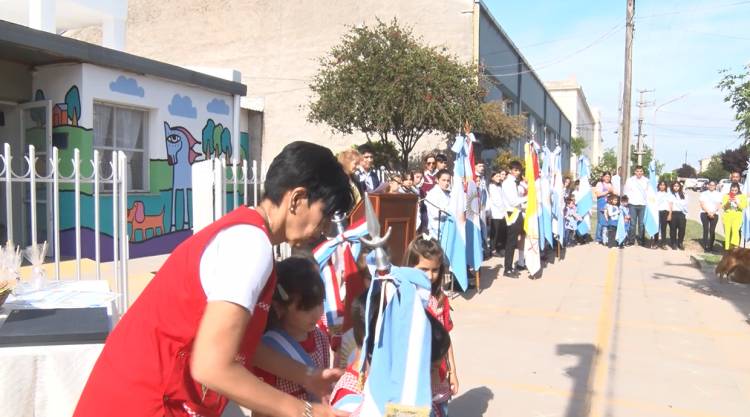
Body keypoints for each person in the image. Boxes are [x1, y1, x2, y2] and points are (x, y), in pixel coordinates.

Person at [74, 141, 353, 417]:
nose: (324, 229)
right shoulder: (249, 245)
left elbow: (240, 345)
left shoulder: (248, 234)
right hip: (143, 401)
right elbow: (211, 366)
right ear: (297, 199)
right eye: (324, 215)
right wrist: (305, 411)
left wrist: (308, 376)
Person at [253, 257, 330, 410]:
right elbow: (262, 407)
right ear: (279, 307)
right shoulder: (269, 350)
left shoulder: (321, 338)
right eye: (306, 308)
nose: (317, 314)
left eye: (320, 302)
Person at [404, 236, 459, 416]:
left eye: (435, 270)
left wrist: (453, 372)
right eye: (423, 269)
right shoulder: (404, 298)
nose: (429, 276)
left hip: (439, 379)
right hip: (412, 380)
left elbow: (446, 339)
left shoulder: (440, 299)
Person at [502, 161, 526, 278]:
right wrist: (528, 197)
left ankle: (511, 266)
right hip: (512, 215)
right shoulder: (507, 183)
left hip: (518, 213)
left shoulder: (515, 183)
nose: (518, 172)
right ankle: (507, 269)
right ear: (510, 170)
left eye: (519, 170)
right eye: (515, 170)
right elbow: (514, 201)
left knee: (516, 241)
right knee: (511, 242)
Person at [624, 165, 649, 245]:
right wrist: (626, 203)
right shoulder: (630, 180)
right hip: (632, 204)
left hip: (643, 205)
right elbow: (626, 192)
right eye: (637, 171)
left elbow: (649, 193)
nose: (639, 173)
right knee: (632, 224)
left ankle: (641, 240)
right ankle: (631, 240)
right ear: (635, 172)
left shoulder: (646, 181)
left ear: (643, 172)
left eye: (641, 171)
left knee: (642, 224)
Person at [425, 169, 452, 239]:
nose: (446, 183)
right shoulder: (432, 194)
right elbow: (435, 213)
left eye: (448, 180)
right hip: (436, 231)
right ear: (437, 180)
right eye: (443, 180)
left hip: (447, 229)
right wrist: (450, 210)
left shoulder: (448, 193)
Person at [722, 182, 747, 250]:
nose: (734, 192)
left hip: (737, 217)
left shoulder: (742, 196)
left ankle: (735, 248)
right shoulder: (726, 196)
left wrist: (737, 202)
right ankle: (727, 249)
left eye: (735, 190)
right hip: (727, 216)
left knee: (735, 232)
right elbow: (724, 208)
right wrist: (728, 202)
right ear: (730, 189)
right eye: (732, 190)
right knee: (727, 233)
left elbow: (743, 207)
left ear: (738, 189)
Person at [699, 180, 723, 252]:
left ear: (715, 186)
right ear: (708, 185)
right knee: (705, 229)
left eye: (713, 185)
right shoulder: (703, 194)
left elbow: (719, 204)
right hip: (704, 213)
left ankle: (711, 246)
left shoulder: (718, 194)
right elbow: (702, 204)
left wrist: (713, 212)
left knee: (712, 230)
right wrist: (708, 212)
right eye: (710, 185)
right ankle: (705, 246)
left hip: (714, 214)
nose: (711, 186)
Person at [488, 170, 508, 255]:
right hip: (495, 213)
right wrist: (503, 209)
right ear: (492, 177)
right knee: (494, 233)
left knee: (501, 232)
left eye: (499, 176)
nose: (499, 178)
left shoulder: (500, 186)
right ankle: (493, 249)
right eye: (497, 176)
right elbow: (496, 201)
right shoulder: (491, 186)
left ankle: (500, 248)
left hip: (502, 213)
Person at [594, 172, 614, 244]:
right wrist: (607, 191)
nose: (607, 178)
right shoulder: (599, 184)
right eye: (606, 176)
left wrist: (612, 192)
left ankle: (606, 238)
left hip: (609, 205)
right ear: (603, 177)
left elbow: (614, 193)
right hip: (601, 204)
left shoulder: (610, 184)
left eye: (609, 177)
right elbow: (598, 194)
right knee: (600, 222)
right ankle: (598, 238)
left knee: (607, 221)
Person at [669, 181, 688, 250]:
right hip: (673, 213)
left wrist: (686, 214)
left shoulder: (684, 194)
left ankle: (680, 243)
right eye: (675, 186)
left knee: (682, 229)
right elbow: (670, 205)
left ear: (680, 187)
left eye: (677, 186)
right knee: (673, 229)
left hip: (681, 214)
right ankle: (673, 243)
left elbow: (686, 205)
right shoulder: (670, 194)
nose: (676, 187)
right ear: (672, 187)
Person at [655, 181, 674, 249]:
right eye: (661, 185)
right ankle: (655, 242)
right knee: (656, 228)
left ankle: (663, 243)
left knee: (663, 228)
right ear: (658, 186)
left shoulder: (668, 194)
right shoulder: (656, 194)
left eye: (663, 185)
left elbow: (670, 205)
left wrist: (670, 214)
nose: (662, 186)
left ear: (666, 186)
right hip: (657, 212)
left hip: (665, 212)